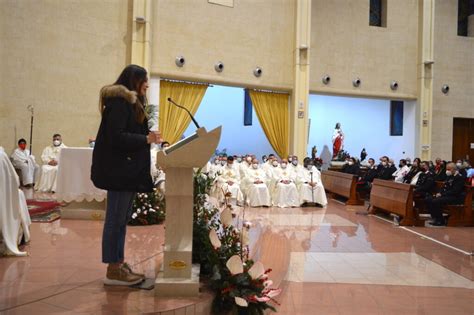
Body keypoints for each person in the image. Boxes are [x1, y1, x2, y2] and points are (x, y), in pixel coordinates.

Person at [91, 64, 162, 286]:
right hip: (119, 171)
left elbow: (126, 132)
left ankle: (118, 263)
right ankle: (113, 268)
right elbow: (116, 137)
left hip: (126, 171)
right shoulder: (120, 103)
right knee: (115, 220)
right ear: (134, 81)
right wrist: (145, 139)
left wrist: (145, 136)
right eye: (144, 80)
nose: (147, 85)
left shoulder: (129, 103)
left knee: (121, 220)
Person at [425, 162, 465, 227]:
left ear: (453, 169)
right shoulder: (449, 176)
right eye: (447, 169)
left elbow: (455, 191)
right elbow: (444, 186)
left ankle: (440, 220)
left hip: (454, 197)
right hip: (447, 195)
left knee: (436, 201)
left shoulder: (459, 178)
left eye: (448, 169)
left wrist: (442, 194)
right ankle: (435, 217)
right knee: (428, 199)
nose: (447, 171)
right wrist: (439, 193)